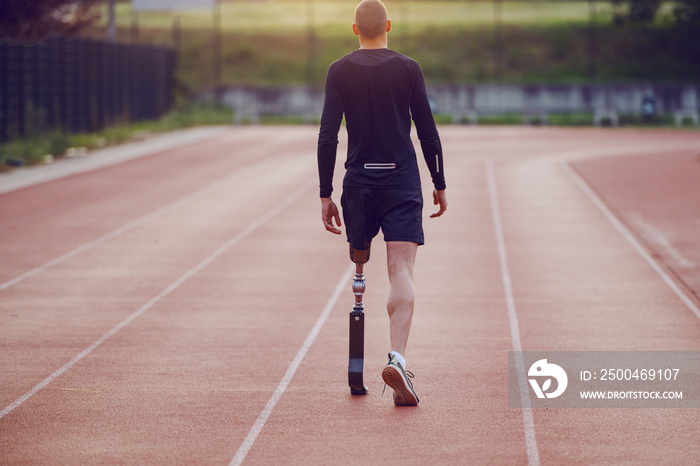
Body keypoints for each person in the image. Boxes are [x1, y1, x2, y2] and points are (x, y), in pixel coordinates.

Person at [317, 0, 447, 406]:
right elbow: (427, 131)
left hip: (358, 183)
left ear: (354, 29)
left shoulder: (338, 70)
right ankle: (397, 358)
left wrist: (325, 192)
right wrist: (439, 181)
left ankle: (361, 355)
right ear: (388, 25)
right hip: (401, 181)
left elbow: (327, 136)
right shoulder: (408, 68)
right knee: (401, 271)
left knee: (360, 270)